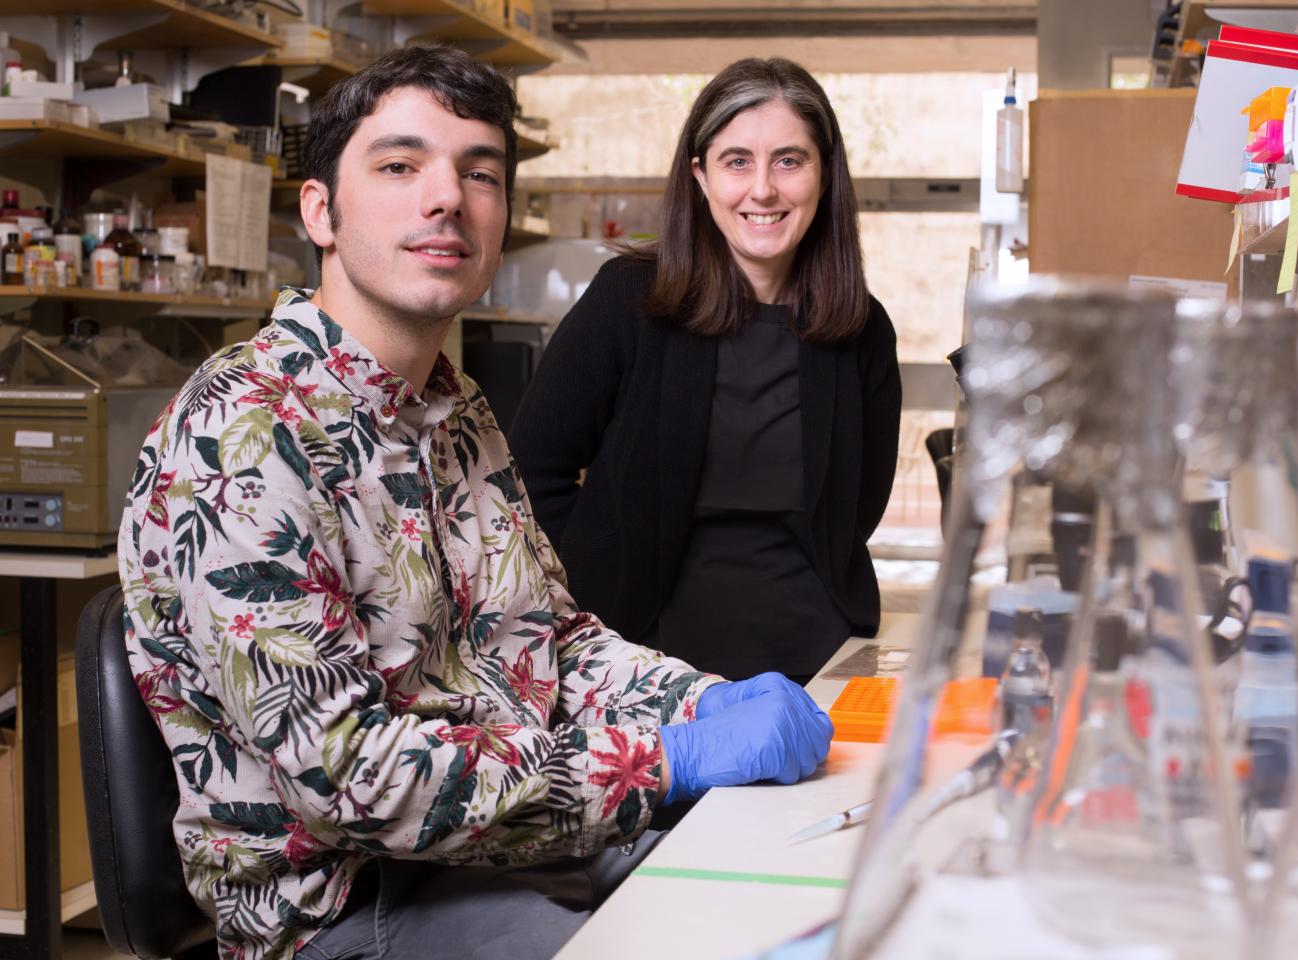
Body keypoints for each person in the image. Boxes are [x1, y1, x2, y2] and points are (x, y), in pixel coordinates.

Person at [118, 44, 832, 960]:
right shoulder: (243, 434)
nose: (447, 197)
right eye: (400, 166)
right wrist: (667, 760)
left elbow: (557, 645)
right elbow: (356, 784)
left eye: (479, 173)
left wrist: (705, 703)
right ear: (320, 212)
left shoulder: (455, 416)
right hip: (353, 905)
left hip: (514, 846)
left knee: (789, 900)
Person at [509, 58, 902, 684]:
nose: (763, 189)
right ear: (700, 175)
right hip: (645, 661)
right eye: (737, 160)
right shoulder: (629, 300)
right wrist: (596, 582)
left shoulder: (861, 328)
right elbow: (529, 472)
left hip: (818, 658)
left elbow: (859, 509)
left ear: (825, 175)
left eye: (790, 160)